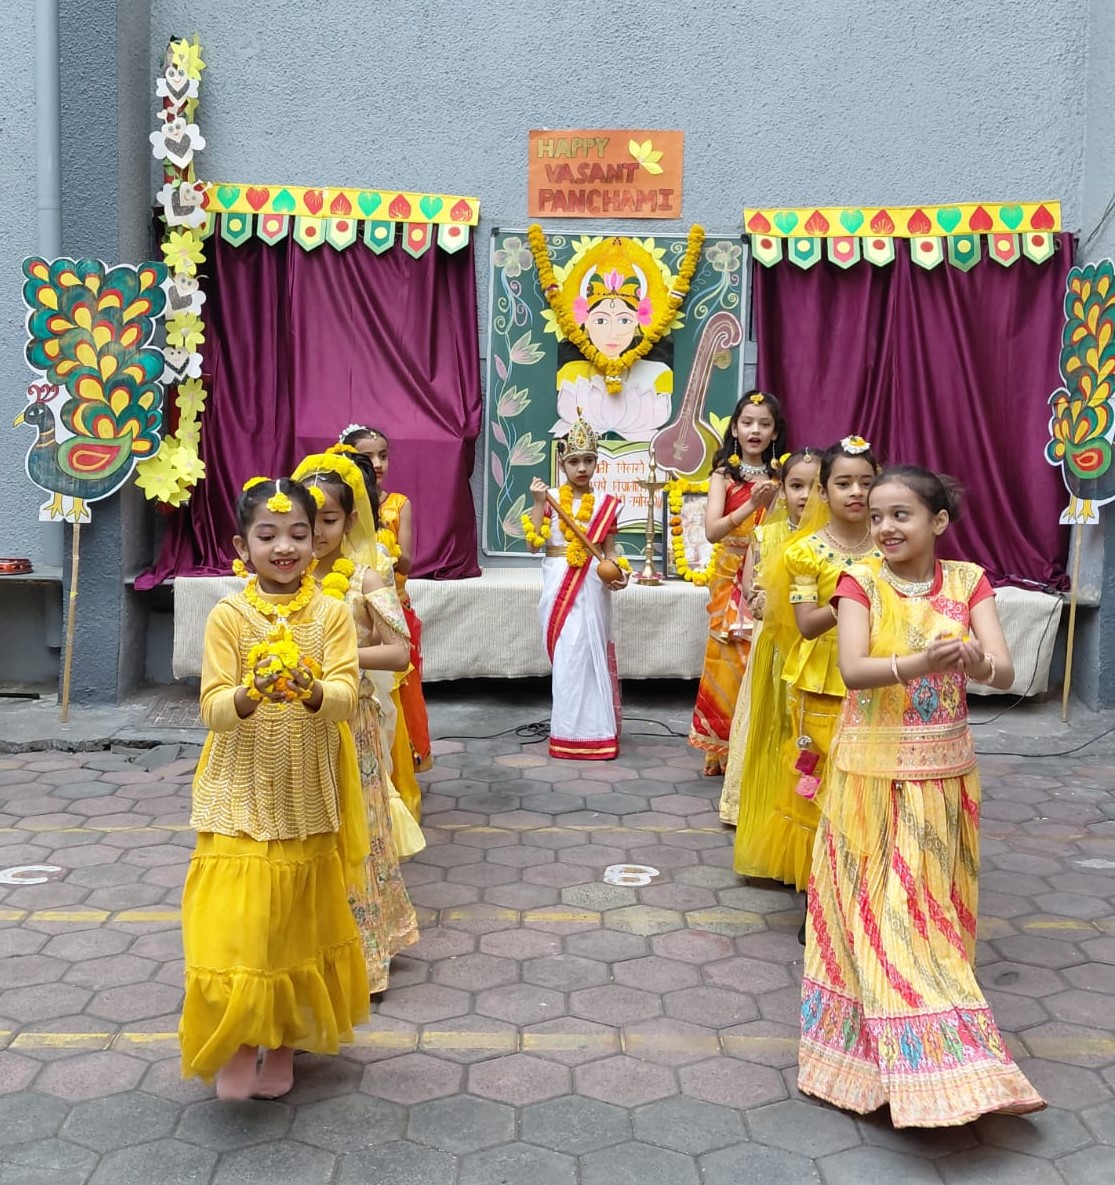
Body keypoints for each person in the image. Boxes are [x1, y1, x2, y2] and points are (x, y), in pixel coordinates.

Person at [798, 465, 1045, 1126]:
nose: (884, 526)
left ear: (937, 521)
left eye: (900, 514)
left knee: (925, 923)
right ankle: (876, 1065)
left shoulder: (968, 581)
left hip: (944, 777)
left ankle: (943, 1068)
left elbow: (1003, 670)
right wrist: (922, 663)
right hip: (867, 779)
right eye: (876, 515)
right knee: (873, 919)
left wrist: (973, 661)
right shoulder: (859, 581)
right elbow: (853, 669)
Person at [181, 477, 368, 1101]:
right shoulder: (228, 617)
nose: (284, 547)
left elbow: (345, 698)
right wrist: (251, 692)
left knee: (291, 925)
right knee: (234, 923)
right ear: (243, 546)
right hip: (237, 786)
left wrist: (311, 689)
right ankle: (238, 1040)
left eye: (297, 534)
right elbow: (212, 709)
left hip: (305, 789)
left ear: (317, 543)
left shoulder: (332, 614)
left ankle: (282, 1046)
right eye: (268, 535)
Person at [292, 447, 423, 994]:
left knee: (356, 832)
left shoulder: (367, 579)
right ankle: (303, 950)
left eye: (329, 520)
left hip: (351, 724)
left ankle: (365, 955)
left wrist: (338, 658)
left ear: (349, 521)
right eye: (309, 520)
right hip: (294, 726)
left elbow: (399, 652)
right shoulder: (284, 578)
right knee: (302, 835)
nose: (318, 533)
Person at [750, 436, 882, 896]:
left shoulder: (888, 545)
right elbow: (806, 624)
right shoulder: (805, 552)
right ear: (824, 491)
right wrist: (851, 599)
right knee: (816, 778)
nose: (856, 492)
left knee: (869, 779)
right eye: (843, 483)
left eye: (866, 482)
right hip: (821, 680)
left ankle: (865, 880)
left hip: (877, 677)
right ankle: (817, 893)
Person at [723, 448, 819, 846]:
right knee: (770, 721)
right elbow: (750, 589)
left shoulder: (834, 540)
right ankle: (758, 805)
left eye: (815, 487)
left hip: (817, 649)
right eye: (796, 486)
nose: (805, 495)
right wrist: (764, 599)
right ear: (782, 489)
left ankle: (806, 807)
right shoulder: (765, 535)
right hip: (774, 647)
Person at [523, 410, 630, 758]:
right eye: (574, 461)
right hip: (559, 580)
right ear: (562, 464)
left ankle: (598, 733)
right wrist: (538, 503)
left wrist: (620, 574)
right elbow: (533, 544)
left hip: (593, 586)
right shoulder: (551, 498)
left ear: (597, 462)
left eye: (588, 460)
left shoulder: (606, 504)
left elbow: (610, 552)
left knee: (591, 651)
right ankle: (567, 733)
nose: (582, 468)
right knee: (569, 654)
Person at [689, 391, 785, 775]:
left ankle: (757, 748)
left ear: (775, 431)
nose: (755, 430)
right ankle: (725, 750)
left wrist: (774, 499)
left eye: (764, 424)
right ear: (734, 428)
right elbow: (712, 531)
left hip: (767, 574)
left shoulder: (783, 477)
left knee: (762, 658)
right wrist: (752, 504)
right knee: (727, 662)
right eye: (747, 422)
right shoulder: (723, 477)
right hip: (729, 577)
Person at [340, 424, 430, 822]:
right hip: (354, 614)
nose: (377, 464)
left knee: (399, 698)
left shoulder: (397, 505)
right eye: (367, 457)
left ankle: (396, 782)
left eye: (383, 455)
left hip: (390, 607)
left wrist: (385, 552)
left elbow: (407, 560)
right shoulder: (333, 508)